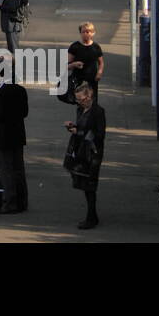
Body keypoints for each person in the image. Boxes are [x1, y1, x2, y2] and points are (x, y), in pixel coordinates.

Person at [0, 57, 29, 213]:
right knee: (19, 169)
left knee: (6, 171)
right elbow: (24, 112)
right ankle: (22, 201)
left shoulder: (0, 93)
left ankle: (9, 203)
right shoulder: (20, 90)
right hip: (18, 136)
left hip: (2, 138)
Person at [65, 81, 106, 229]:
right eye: (78, 99)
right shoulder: (80, 109)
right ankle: (92, 215)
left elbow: (100, 135)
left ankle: (91, 217)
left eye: (81, 99)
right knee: (84, 184)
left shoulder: (98, 112)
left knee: (90, 185)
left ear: (89, 97)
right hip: (81, 150)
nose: (79, 102)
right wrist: (74, 127)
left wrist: (79, 132)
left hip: (92, 153)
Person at [67, 21, 105, 102]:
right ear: (80, 33)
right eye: (83, 32)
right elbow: (67, 66)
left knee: (93, 101)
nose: (85, 34)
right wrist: (74, 64)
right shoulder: (75, 46)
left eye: (88, 32)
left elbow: (101, 62)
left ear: (93, 33)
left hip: (92, 79)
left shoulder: (96, 47)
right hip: (78, 79)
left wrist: (99, 73)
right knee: (81, 102)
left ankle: (93, 114)